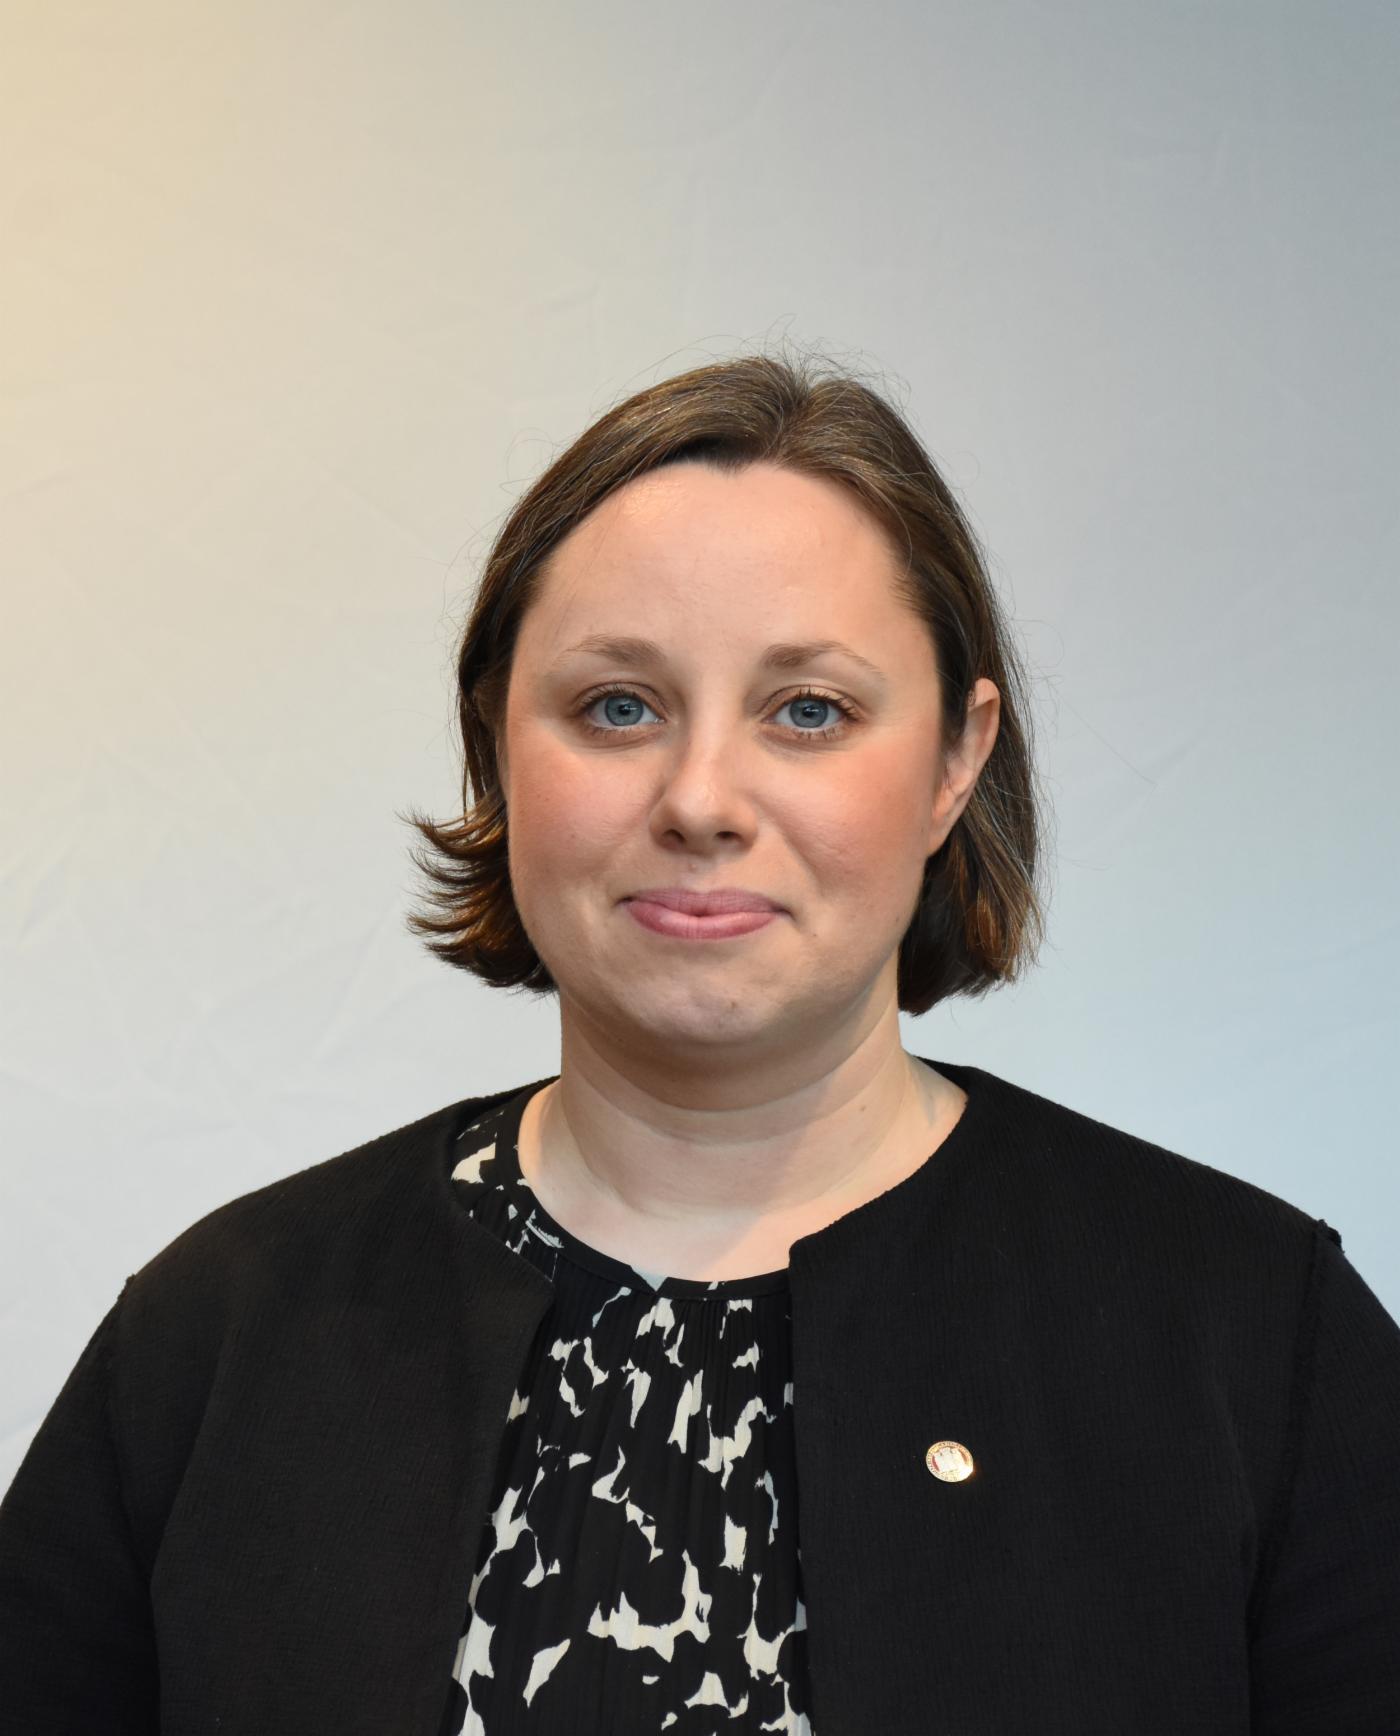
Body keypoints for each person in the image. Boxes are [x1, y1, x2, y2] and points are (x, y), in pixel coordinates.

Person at [1, 352, 1397, 1736]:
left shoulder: (1255, 1336)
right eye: (618, 706)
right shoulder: (221, 1334)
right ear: (498, 744)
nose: (702, 799)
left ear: (954, 761)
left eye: (810, 711)